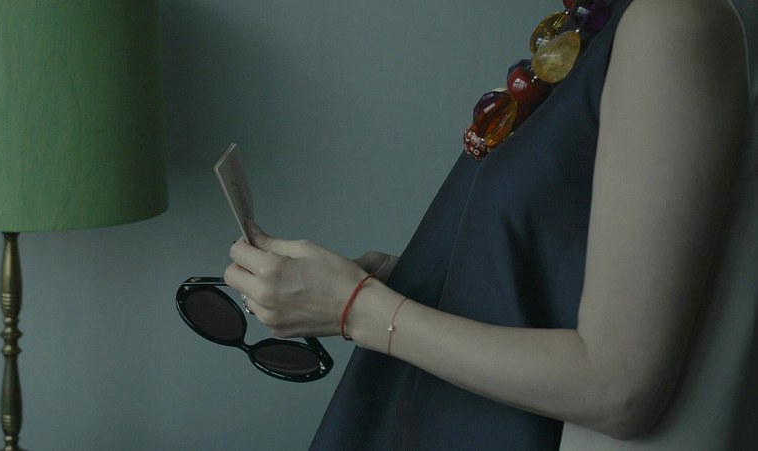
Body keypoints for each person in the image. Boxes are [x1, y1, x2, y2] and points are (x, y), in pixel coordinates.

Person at [224, 0, 751, 449]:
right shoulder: (594, 23)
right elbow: (557, 276)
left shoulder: (672, 24)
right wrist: (395, 279)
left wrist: (357, 308)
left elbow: (618, 389)